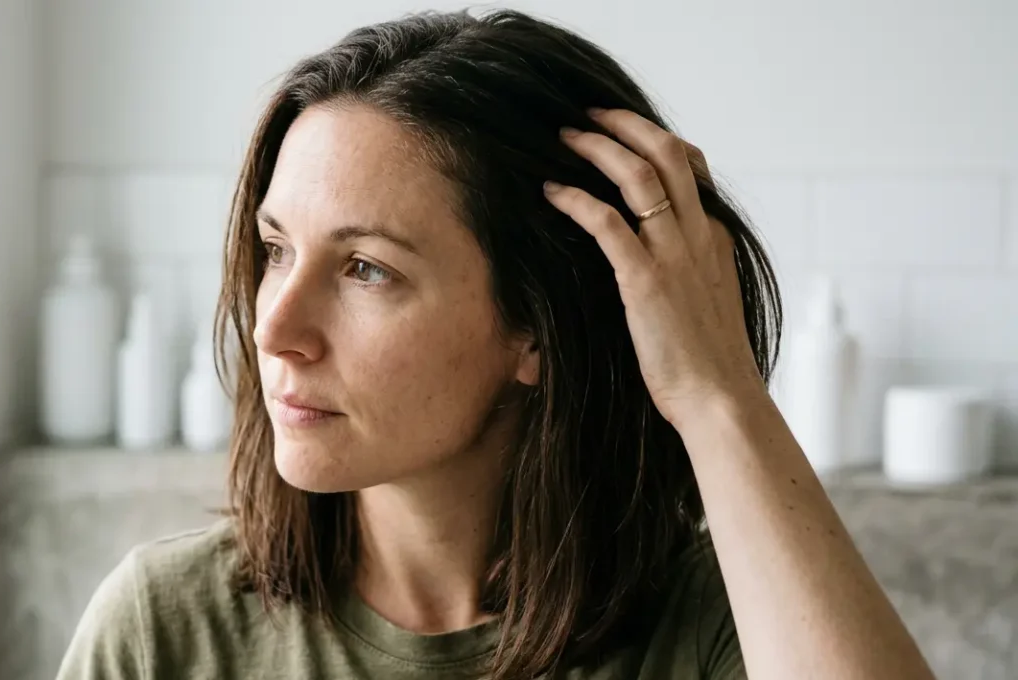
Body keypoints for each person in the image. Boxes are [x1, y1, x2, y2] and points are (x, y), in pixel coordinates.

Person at [57, 9, 932, 680]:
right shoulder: (164, 631)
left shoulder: (717, 624)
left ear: (537, 331)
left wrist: (717, 393)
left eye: (365, 268)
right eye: (277, 249)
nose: (275, 328)